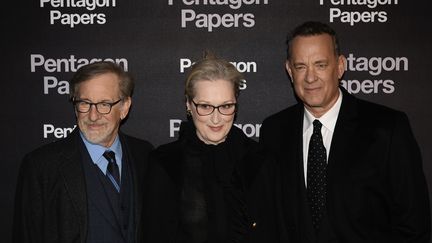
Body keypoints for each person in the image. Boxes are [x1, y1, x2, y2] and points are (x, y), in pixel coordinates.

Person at [257, 21, 431, 242]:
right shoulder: (274, 131)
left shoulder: (387, 128)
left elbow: (414, 226)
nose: (310, 78)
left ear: (340, 66)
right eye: (301, 66)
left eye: (320, 65)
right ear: (289, 71)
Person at [13, 61, 153, 243]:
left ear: (124, 107)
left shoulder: (144, 154)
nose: (93, 116)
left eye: (104, 104)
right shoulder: (41, 166)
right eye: (85, 103)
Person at [142, 53, 258, 243]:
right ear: (189, 105)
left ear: (236, 105)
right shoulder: (165, 163)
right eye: (205, 106)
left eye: (226, 106)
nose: (216, 118)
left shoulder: (258, 160)